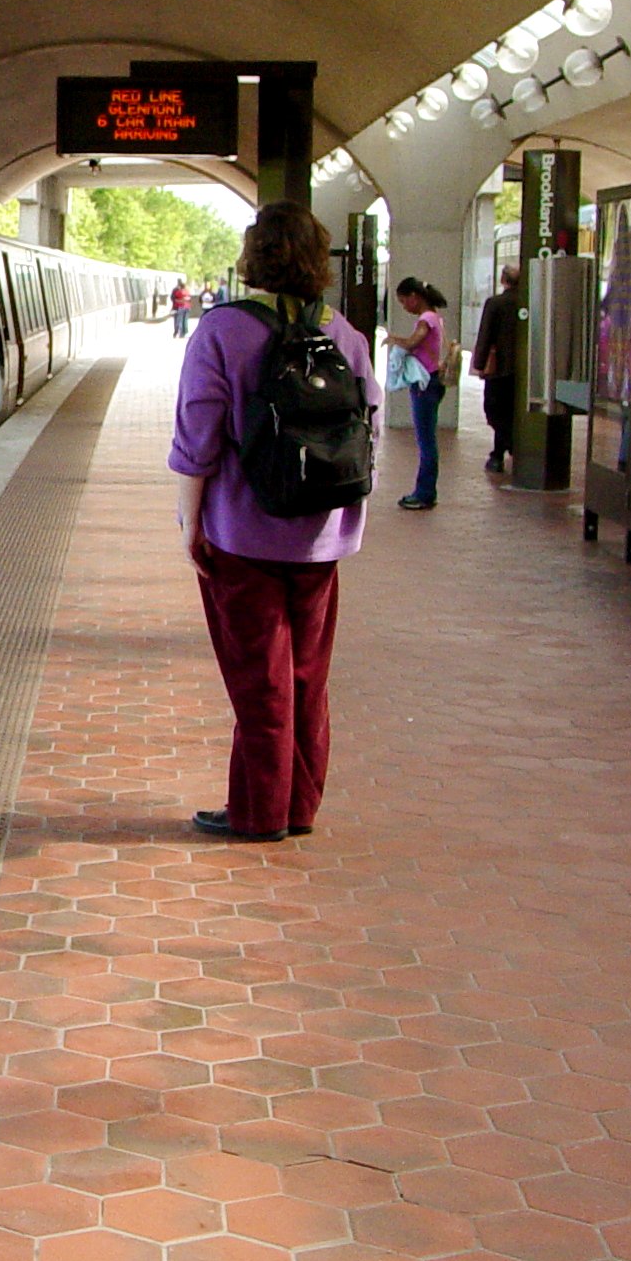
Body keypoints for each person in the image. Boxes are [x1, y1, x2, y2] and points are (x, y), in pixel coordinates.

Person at [170, 202, 377, 842]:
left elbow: (197, 437)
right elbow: (366, 427)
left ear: (253, 258)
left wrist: (189, 522)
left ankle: (259, 811)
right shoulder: (345, 335)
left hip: (242, 534)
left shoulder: (222, 330)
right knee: (308, 677)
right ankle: (299, 806)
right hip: (320, 537)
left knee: (260, 678)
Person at [383, 277, 450, 509]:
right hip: (433, 381)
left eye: (404, 301)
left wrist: (394, 340)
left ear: (414, 296)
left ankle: (424, 493)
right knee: (427, 438)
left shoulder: (426, 319)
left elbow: (414, 342)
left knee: (425, 440)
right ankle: (425, 491)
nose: (404, 307)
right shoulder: (435, 317)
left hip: (425, 384)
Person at [471, 263, 521, 473]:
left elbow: (485, 335)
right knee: (511, 412)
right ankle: (503, 450)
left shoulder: (495, 303)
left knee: (494, 411)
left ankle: (506, 448)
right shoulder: (526, 302)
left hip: (499, 369)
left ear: (503, 280)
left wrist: (479, 364)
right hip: (522, 371)